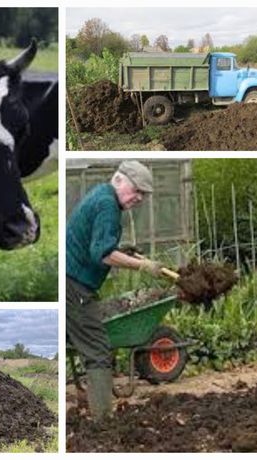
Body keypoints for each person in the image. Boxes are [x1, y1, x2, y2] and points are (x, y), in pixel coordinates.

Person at [66, 160, 162, 420]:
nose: (139, 198)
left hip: (71, 281)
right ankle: (102, 422)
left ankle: (91, 402)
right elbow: (104, 254)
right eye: (137, 190)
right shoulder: (108, 205)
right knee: (97, 351)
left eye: (143, 194)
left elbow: (94, 242)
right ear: (119, 180)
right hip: (73, 286)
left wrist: (126, 252)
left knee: (85, 343)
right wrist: (141, 265)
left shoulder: (102, 194)